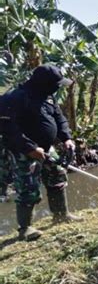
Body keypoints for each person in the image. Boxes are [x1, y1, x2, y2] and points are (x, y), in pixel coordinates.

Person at [0, 64, 83, 241]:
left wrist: (66, 138)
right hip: (23, 151)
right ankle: (25, 228)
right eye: (55, 84)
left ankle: (61, 214)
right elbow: (8, 128)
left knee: (57, 176)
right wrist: (30, 148)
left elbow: (59, 118)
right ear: (43, 83)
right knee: (28, 188)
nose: (58, 87)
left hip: (46, 148)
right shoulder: (14, 98)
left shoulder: (47, 96)